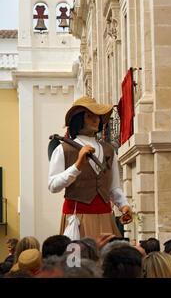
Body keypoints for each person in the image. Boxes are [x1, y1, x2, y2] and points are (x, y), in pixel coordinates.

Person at [48, 96, 132, 240]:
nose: (96, 119)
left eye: (98, 116)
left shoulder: (109, 150)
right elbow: (53, 186)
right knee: (81, 261)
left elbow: (114, 187)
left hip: (105, 216)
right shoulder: (63, 150)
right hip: (77, 218)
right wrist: (77, 166)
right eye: (89, 115)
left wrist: (124, 206)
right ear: (78, 119)